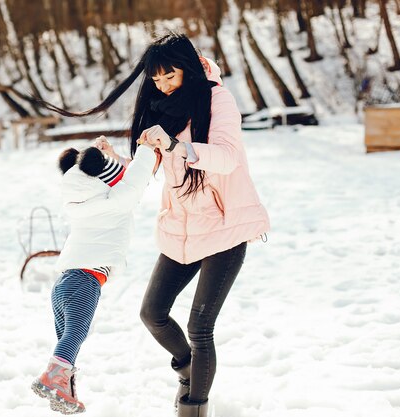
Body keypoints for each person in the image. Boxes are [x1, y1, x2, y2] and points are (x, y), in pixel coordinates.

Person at [33, 32, 270, 417]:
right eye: (156, 80)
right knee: (152, 313)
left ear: (188, 68)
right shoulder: (162, 110)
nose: (162, 85)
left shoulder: (217, 99)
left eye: (169, 76)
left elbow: (227, 158)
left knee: (199, 327)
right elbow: (145, 171)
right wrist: (113, 163)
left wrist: (175, 145)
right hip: (181, 228)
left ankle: (193, 406)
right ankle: (190, 368)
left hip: (225, 226)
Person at [31, 143, 156, 414]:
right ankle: (53, 378)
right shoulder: (114, 203)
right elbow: (134, 180)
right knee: (76, 334)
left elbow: (115, 178)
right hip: (85, 281)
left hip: (63, 283)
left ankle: (66, 392)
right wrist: (146, 149)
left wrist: (105, 156)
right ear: (105, 180)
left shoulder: (76, 204)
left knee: (68, 342)